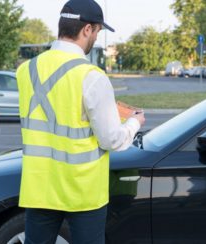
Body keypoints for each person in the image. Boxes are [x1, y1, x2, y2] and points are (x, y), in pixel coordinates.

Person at [16, 0, 145, 243]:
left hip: (40, 187)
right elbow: (112, 140)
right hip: (82, 190)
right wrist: (135, 122)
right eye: (97, 31)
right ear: (87, 29)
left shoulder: (26, 71)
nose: (96, 37)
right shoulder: (92, 76)